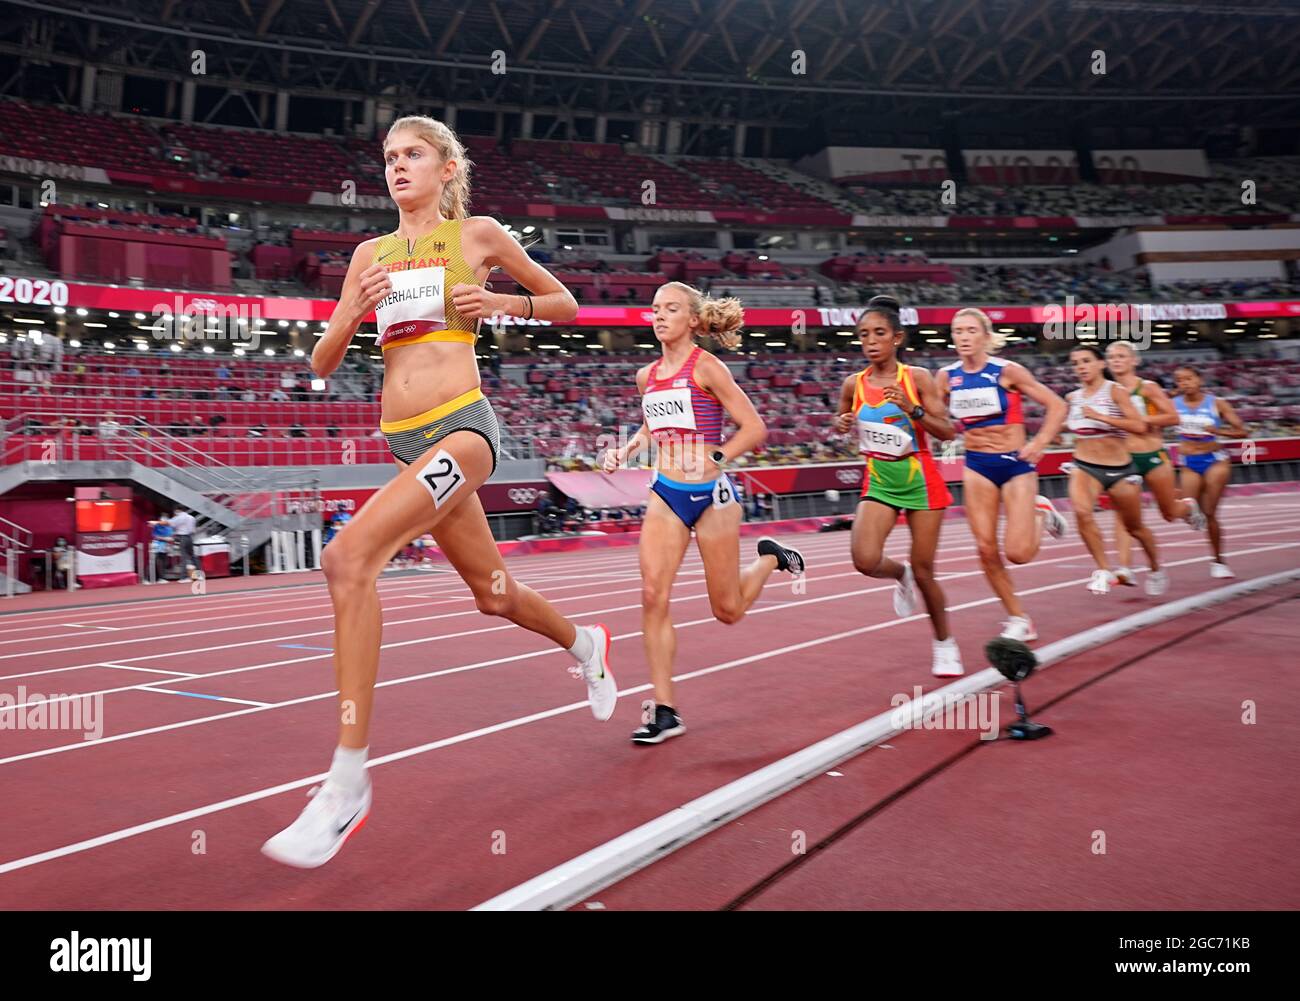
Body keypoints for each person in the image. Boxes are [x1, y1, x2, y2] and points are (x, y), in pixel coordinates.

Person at [262, 114, 617, 868]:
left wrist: (504, 307)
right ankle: (587, 643)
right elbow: (324, 361)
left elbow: (566, 304)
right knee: (493, 593)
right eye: (388, 157)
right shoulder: (370, 253)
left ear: (447, 167)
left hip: (464, 429)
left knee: (347, 558)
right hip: (406, 441)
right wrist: (354, 306)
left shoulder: (478, 234)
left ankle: (349, 780)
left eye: (413, 154)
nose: (397, 167)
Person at [601, 281, 804, 744]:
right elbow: (654, 422)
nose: (659, 316)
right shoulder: (646, 375)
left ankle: (770, 557)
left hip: (712, 495)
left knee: (727, 610)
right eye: (654, 309)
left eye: (671, 309)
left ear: (692, 320)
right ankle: (665, 710)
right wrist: (628, 448)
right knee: (653, 595)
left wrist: (716, 459)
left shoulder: (707, 368)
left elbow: (754, 427)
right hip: (667, 493)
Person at [834, 295, 964, 677]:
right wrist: (840, 425)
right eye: (863, 335)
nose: (871, 341)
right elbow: (842, 418)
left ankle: (944, 642)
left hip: (920, 481)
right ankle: (898, 574)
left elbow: (948, 432)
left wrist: (912, 409)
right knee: (864, 559)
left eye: (879, 333)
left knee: (926, 571)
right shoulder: (852, 383)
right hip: (879, 479)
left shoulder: (917, 378)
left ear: (897, 338)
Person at [937, 307, 1068, 642]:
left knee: (1019, 554)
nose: (963, 337)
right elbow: (934, 419)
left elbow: (1057, 406)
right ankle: (1018, 617)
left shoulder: (1008, 371)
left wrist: (1040, 442)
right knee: (985, 549)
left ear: (984, 335)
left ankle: (1041, 513)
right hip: (977, 464)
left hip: (1014, 464)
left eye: (970, 331)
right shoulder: (946, 376)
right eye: (957, 331)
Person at [1063, 345, 1164, 595]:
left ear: (1101, 364)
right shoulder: (1072, 398)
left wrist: (1101, 417)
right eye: (1076, 363)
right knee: (1081, 512)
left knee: (1134, 528)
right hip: (1085, 466)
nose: (1081, 367)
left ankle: (1155, 568)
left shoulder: (1116, 391)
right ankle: (1103, 569)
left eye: (1086, 361)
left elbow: (1139, 426)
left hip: (1120, 470)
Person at [1104, 342, 1206, 585]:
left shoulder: (1146, 387)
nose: (1115, 361)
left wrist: (1141, 420)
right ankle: (1126, 568)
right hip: (1123, 460)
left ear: (1134, 361)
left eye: (1121, 356)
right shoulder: (1106, 391)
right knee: (1123, 516)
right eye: (1111, 357)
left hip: (1151, 456)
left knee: (1169, 513)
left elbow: (1173, 416)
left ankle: (1187, 507)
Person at [1171, 364, 1248, 578]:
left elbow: (1242, 431)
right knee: (1186, 509)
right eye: (1180, 380)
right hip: (1189, 461)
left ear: (1199, 380)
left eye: (1189, 379)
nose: (1185, 383)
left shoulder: (1217, 403)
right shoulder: (1173, 404)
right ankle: (1195, 517)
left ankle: (1218, 562)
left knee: (1210, 513)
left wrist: (1217, 431)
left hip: (1215, 461)